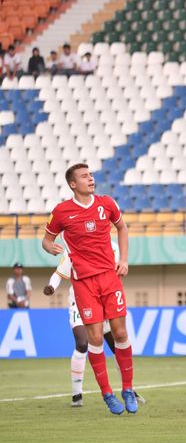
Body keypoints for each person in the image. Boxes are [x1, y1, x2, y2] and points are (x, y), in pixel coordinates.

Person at [42, 163, 137, 415]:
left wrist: (124, 260)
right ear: (73, 184)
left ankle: (128, 388)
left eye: (91, 175)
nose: (90, 178)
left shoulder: (106, 203)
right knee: (94, 338)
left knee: (120, 333)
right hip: (83, 283)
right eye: (84, 176)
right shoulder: (62, 211)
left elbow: (122, 227)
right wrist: (48, 246)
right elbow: (47, 238)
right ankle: (107, 393)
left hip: (109, 278)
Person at [43, 243, 145, 408]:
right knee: (83, 343)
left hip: (104, 298)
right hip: (80, 300)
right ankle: (77, 394)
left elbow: (116, 271)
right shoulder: (74, 246)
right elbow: (59, 272)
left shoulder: (112, 246)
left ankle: (129, 390)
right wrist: (51, 286)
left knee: (116, 344)